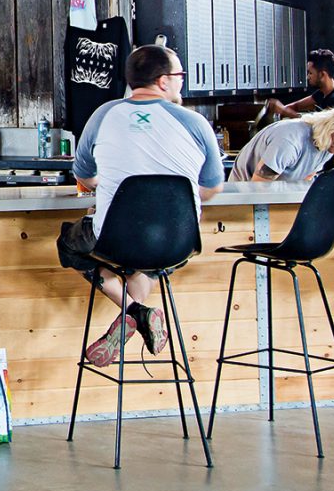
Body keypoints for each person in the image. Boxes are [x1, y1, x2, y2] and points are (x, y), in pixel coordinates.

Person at [56, 46, 226, 368]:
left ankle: (134, 312)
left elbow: (83, 175)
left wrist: (114, 190)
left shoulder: (104, 115)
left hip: (113, 238)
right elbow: (212, 187)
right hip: (179, 241)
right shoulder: (195, 122)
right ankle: (137, 312)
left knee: (71, 244)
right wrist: (170, 200)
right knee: (146, 261)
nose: (181, 83)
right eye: (179, 77)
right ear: (163, 82)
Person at [230, 106, 334, 182]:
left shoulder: (328, 145)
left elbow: (305, 180)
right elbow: (259, 186)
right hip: (243, 201)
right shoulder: (290, 140)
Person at [265, 48, 334, 119]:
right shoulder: (321, 94)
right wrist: (279, 109)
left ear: (322, 74)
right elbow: (296, 106)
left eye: (310, 73)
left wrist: (284, 111)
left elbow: (316, 124)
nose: (307, 77)